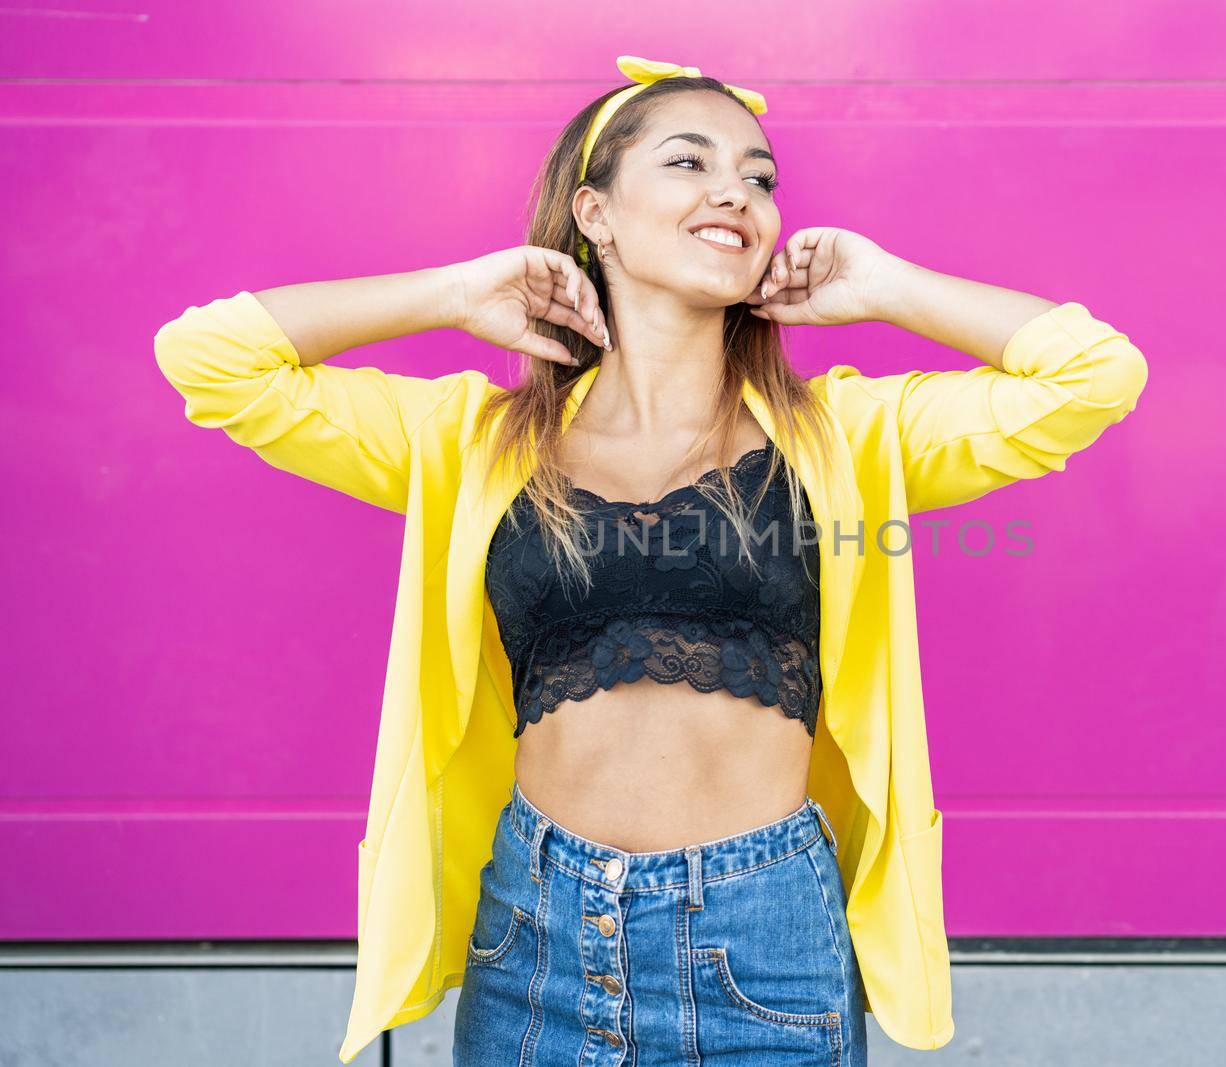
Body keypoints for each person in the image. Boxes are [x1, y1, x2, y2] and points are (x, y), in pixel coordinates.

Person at [152, 55, 1149, 1066]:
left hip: (761, 940)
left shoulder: (850, 434)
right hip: (535, 931)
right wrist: (454, 292)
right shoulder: (468, 437)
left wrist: (883, 286)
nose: (736, 192)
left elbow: (1092, 375)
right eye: (689, 161)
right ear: (596, 210)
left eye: (759, 177)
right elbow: (212, 359)